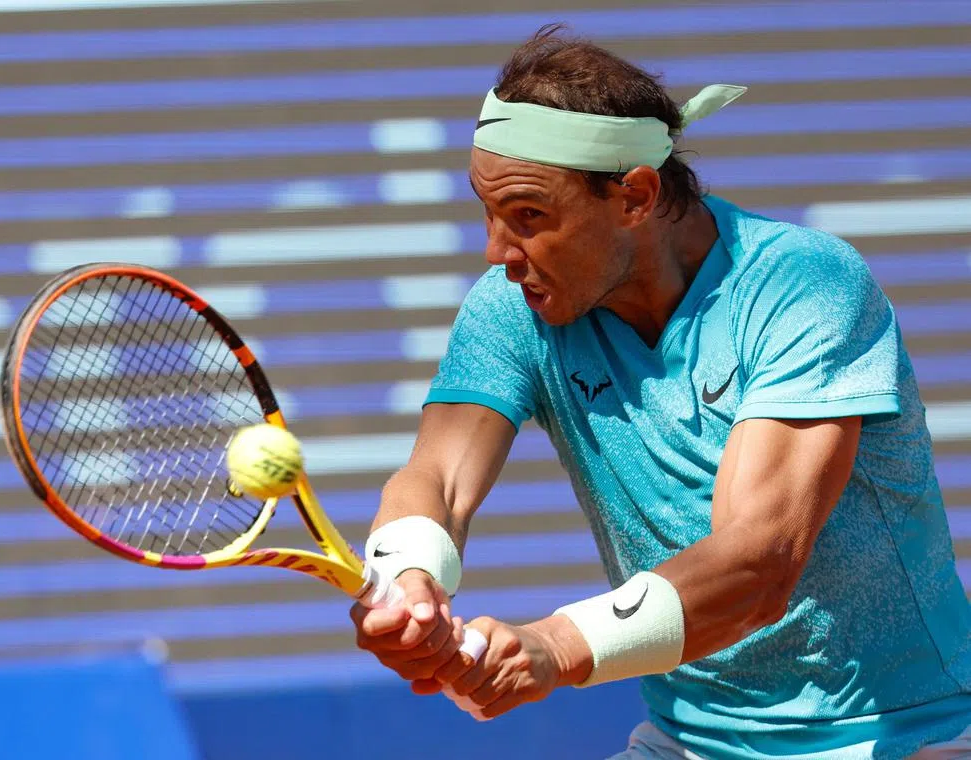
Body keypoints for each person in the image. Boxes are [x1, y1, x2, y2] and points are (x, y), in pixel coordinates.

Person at [348, 25, 971, 760]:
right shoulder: (513, 306)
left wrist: (555, 645)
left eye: (529, 217)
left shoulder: (805, 284)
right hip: (687, 741)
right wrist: (410, 575)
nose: (497, 251)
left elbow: (756, 563)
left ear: (636, 197)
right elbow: (439, 478)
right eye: (488, 212)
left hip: (908, 737)